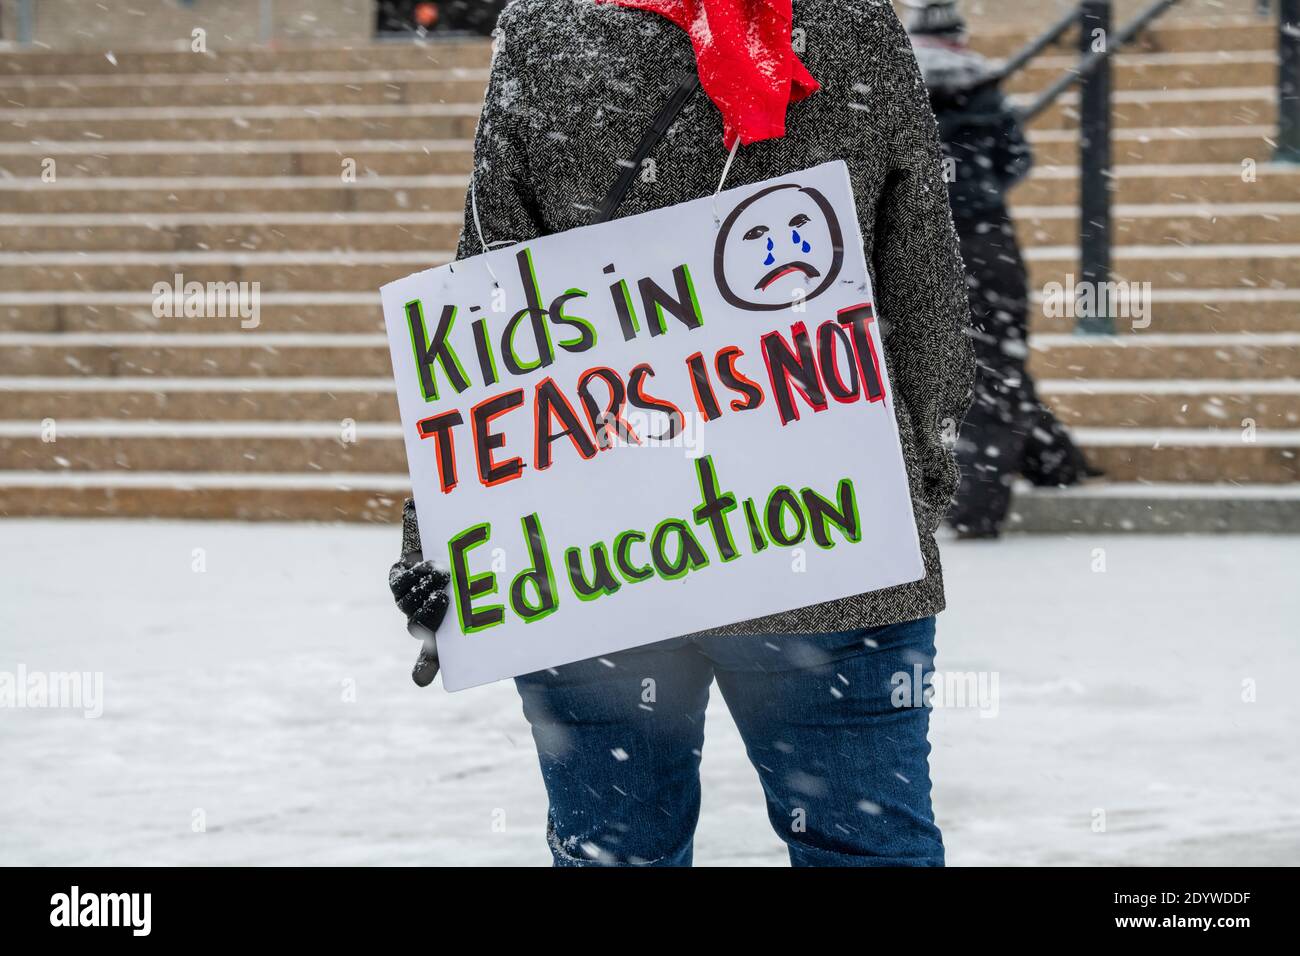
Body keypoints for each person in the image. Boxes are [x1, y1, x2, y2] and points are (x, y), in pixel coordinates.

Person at [388, 0, 975, 866]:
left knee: (617, 856)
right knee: (869, 849)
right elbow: (925, 281)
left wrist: (440, 533)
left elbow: (488, 309)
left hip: (604, 554)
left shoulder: (548, 30)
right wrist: (913, 479)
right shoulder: (853, 21)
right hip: (823, 530)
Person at [904, 0, 1096, 539]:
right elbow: (1016, 159)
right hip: (987, 239)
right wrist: (977, 188)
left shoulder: (887, 86)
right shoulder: (982, 81)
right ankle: (993, 497)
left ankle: (1043, 465)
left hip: (913, 238)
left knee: (935, 359)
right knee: (996, 355)